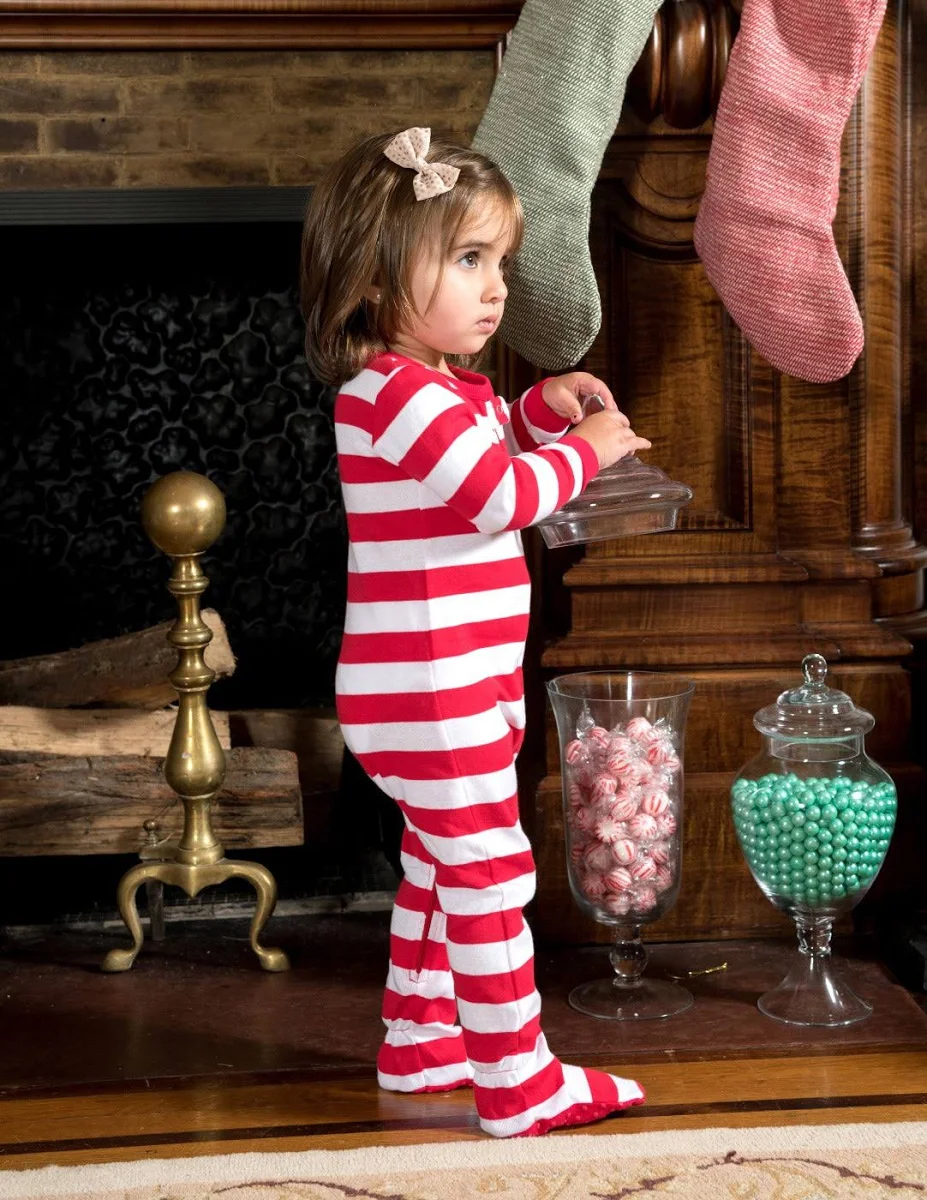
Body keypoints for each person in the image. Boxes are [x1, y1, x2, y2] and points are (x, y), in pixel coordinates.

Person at [300, 125, 651, 1138]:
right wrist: (586, 451)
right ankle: (518, 1078)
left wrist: (539, 410)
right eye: (467, 260)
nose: (495, 288)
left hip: (455, 682)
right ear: (374, 278)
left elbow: (485, 448)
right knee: (490, 868)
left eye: (500, 261)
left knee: (437, 862)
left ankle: (420, 1039)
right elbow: (496, 494)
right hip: (430, 687)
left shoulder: (440, 390)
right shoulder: (389, 392)